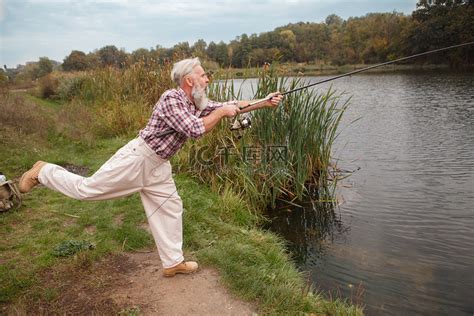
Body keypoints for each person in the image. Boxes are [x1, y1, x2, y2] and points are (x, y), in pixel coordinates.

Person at [18, 57, 282, 277]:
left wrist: (264, 101)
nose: (208, 79)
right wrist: (222, 113)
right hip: (138, 159)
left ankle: (172, 263)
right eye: (204, 76)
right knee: (88, 190)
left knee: (171, 207)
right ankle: (43, 171)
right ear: (189, 80)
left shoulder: (197, 103)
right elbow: (194, 129)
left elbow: (229, 106)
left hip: (158, 165)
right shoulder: (172, 99)